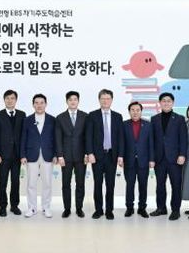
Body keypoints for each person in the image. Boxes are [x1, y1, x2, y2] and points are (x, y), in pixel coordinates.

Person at [86, 89, 124, 220]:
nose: (105, 101)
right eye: (103, 99)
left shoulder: (118, 116)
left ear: (111, 100)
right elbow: (88, 136)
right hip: (97, 156)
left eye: (108, 98)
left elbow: (120, 138)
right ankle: (98, 210)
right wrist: (90, 153)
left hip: (112, 156)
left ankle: (109, 210)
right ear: (99, 100)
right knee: (97, 184)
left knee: (110, 185)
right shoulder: (92, 115)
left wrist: (120, 155)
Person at [150, 92, 188, 220]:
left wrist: (182, 154)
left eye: (169, 101)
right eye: (164, 101)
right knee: (160, 185)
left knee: (176, 185)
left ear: (173, 103)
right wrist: (152, 158)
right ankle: (161, 208)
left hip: (175, 158)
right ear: (160, 103)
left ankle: (175, 210)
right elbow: (152, 140)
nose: (166, 103)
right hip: (159, 158)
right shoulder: (154, 119)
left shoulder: (180, 119)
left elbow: (183, 138)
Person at [21, 94, 57, 218]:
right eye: (36, 103)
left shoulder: (52, 119)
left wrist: (56, 154)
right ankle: (32, 208)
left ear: (46, 104)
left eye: (42, 103)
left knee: (47, 183)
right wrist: (22, 155)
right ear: (33, 105)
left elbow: (55, 139)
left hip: (48, 155)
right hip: (31, 155)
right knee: (31, 183)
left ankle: (46, 207)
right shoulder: (27, 120)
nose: (39, 105)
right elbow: (23, 138)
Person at [0, 89, 26, 217]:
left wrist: (23, 154)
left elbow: (23, 136)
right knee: (2, 182)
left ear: (16, 100)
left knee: (16, 182)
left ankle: (14, 205)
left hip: (17, 156)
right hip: (3, 155)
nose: (10, 100)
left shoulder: (22, 114)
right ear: (4, 100)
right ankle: (2, 206)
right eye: (7, 98)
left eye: (12, 98)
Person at [55, 91, 88, 218]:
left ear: (78, 101)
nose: (73, 102)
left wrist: (87, 153)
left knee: (80, 184)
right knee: (66, 184)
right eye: (70, 99)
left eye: (75, 99)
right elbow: (58, 138)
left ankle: (79, 208)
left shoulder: (85, 116)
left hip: (81, 156)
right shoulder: (60, 117)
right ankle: (67, 209)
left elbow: (87, 137)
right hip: (66, 156)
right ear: (66, 101)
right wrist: (60, 155)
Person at [122, 102, 154, 218]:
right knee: (130, 185)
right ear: (129, 111)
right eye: (132, 110)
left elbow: (151, 143)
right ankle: (129, 208)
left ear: (141, 111)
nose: (135, 112)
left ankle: (142, 208)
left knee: (143, 185)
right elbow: (121, 142)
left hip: (143, 161)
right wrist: (121, 157)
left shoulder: (148, 125)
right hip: (129, 160)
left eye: (137, 110)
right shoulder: (124, 124)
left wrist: (151, 159)